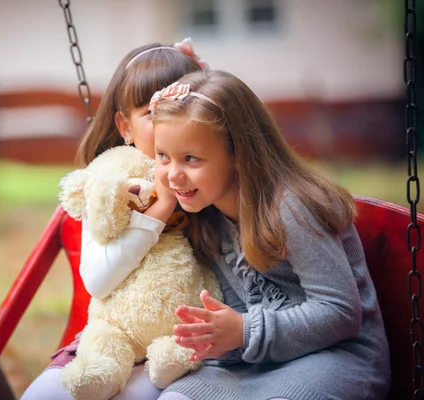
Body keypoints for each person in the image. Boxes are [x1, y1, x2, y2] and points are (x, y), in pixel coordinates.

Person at [146, 70, 391, 399]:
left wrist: (245, 330)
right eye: (163, 156)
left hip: (333, 358)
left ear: (238, 154)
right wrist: (221, 336)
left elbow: (341, 312)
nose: (173, 174)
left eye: (190, 158)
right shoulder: (205, 213)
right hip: (251, 362)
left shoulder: (290, 207)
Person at [20, 39, 206, 400]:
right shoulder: (113, 183)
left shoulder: (209, 182)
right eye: (152, 112)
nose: (168, 121)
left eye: (180, 107)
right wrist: (159, 210)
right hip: (112, 338)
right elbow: (97, 280)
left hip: (179, 350)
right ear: (125, 126)